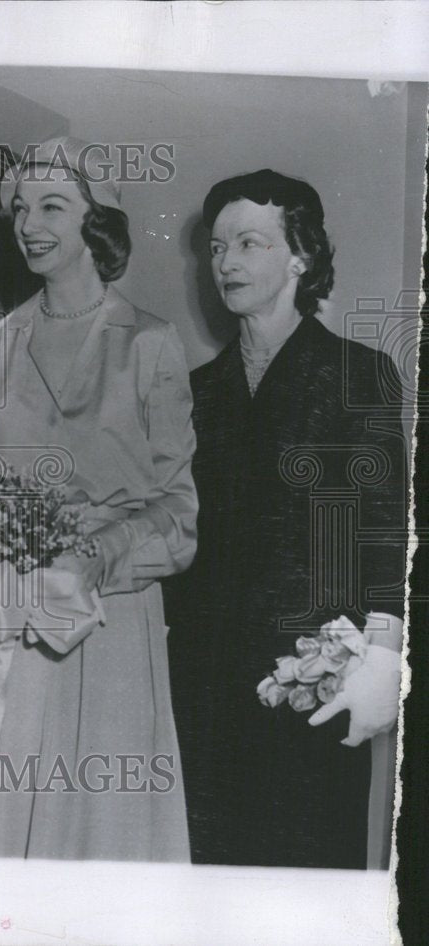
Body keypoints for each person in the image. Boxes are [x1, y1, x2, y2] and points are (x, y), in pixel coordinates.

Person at [0, 137, 196, 860]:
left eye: (52, 206)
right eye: (19, 208)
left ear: (94, 221)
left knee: (98, 834)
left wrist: (90, 559)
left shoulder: (150, 342)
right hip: (6, 621)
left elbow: (178, 514)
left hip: (108, 624)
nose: (29, 223)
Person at [165, 169, 407, 869]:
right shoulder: (197, 392)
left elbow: (385, 528)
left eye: (249, 243)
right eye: (216, 248)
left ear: (300, 256)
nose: (227, 263)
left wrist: (383, 656)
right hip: (202, 684)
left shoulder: (360, 373)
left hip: (312, 682)